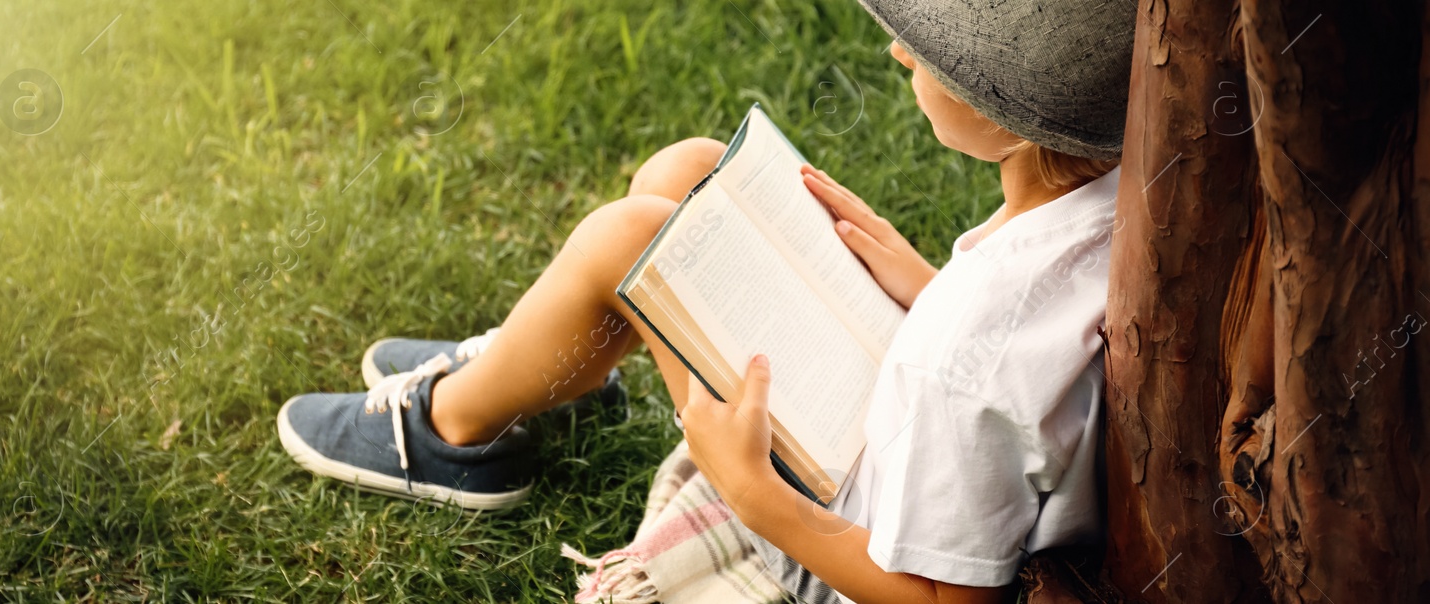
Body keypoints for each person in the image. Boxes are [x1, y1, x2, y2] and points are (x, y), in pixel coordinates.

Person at [276, 0, 1135, 600]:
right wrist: (926, 283)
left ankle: (453, 433)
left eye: (936, 55)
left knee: (633, 242)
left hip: (833, 539)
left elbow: (943, 600)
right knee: (688, 172)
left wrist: (752, 492)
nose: (899, 52)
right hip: (898, 452)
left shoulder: (965, 352)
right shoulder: (1117, 199)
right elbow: (1021, 383)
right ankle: (546, 372)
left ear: (1018, 119)